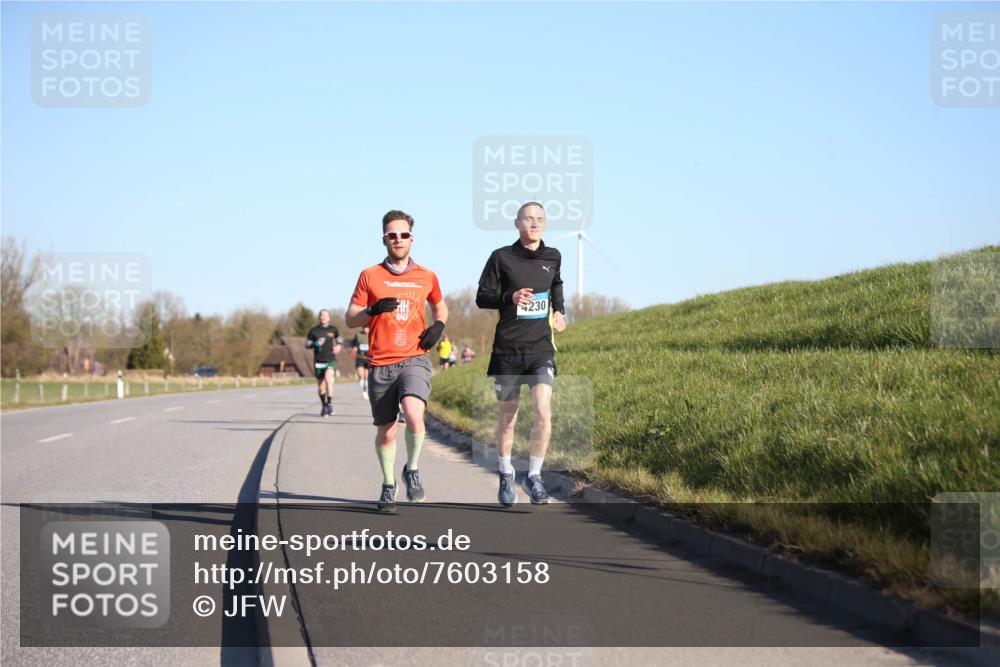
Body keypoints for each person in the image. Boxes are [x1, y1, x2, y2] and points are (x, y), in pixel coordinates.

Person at [345, 210, 448, 512]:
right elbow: (350, 318)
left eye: (403, 235)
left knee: (414, 415)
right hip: (380, 362)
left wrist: (439, 326)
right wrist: (372, 310)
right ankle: (389, 484)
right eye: (392, 235)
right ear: (384, 239)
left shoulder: (427, 276)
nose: (398, 240)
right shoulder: (370, 275)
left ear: (412, 239)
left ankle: (412, 469)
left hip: (414, 357)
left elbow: (440, 307)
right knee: (387, 431)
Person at [476, 201, 566, 506]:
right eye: (528, 219)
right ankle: (505, 473)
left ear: (546, 224)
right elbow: (482, 297)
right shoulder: (501, 257)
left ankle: (535, 476)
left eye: (540, 219)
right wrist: (509, 297)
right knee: (508, 418)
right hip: (508, 351)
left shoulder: (553, 256)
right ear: (517, 223)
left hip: (540, 348)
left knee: (543, 410)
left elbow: (556, 285)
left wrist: (559, 312)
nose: (534, 223)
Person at [306, 309, 343, 417]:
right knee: (321, 386)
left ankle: (329, 404)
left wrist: (338, 346)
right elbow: (307, 344)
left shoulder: (333, 329)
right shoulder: (313, 331)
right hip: (318, 361)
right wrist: (315, 343)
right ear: (319, 317)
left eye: (325, 315)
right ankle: (324, 405)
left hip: (330, 359)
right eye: (321, 315)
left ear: (329, 317)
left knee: (328, 380)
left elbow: (339, 340)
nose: (323, 317)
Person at [350, 324, 371, 399]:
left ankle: (365, 390)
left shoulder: (372, 334)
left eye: (367, 327)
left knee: (366, 375)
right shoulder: (358, 335)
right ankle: (360, 378)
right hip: (360, 357)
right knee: (360, 372)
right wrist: (354, 351)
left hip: (369, 358)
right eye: (364, 327)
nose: (366, 328)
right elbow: (355, 345)